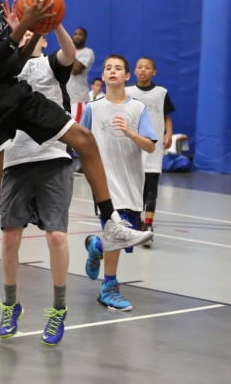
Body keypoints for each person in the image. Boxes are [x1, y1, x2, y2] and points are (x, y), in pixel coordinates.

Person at [0, 0, 152, 324]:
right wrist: (26, 24)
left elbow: (11, 64)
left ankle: (110, 222)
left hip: (15, 92)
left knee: (84, 140)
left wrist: (25, 28)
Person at [0, 25, 75, 346]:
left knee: (56, 236)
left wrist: (55, 23)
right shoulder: (7, 69)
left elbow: (69, 54)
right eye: (24, 35)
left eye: (35, 35)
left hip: (54, 156)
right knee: (10, 236)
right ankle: (10, 303)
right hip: (15, 159)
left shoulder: (50, 65)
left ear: (43, 40)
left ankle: (58, 308)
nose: (29, 38)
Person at [82, 54, 157, 311]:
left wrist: (130, 132)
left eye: (118, 68)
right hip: (105, 185)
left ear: (127, 76)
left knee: (121, 237)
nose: (112, 71)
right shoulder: (92, 109)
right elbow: (80, 142)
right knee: (115, 229)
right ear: (103, 76)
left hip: (132, 184)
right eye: (108, 68)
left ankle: (96, 246)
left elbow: (149, 146)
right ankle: (109, 288)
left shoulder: (137, 109)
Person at [125, 57, 175, 247]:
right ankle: (136, 224)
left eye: (147, 67)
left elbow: (166, 116)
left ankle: (148, 226)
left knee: (151, 188)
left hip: (153, 148)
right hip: (133, 146)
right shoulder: (127, 92)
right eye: (139, 67)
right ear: (134, 71)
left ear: (154, 72)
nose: (143, 70)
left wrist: (169, 133)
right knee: (135, 187)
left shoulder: (161, 93)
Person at [66, 27, 95, 122]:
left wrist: (69, 48)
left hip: (79, 98)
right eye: (75, 34)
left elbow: (75, 70)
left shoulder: (88, 52)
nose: (77, 36)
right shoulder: (65, 52)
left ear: (85, 37)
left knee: (78, 129)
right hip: (65, 98)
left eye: (80, 34)